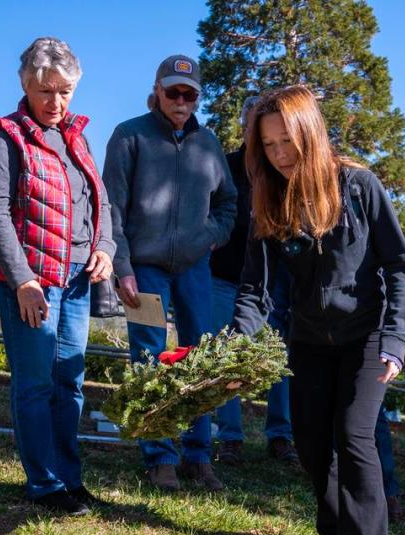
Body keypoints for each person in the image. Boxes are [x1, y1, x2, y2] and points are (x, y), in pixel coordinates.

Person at [233, 85, 405, 535]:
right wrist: (233, 346)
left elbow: (400, 267)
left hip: (368, 336)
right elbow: (255, 290)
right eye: (268, 146)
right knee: (313, 442)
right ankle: (334, 531)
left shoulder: (358, 186)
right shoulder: (269, 200)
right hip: (309, 339)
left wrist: (397, 338)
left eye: (287, 141)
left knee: (354, 436)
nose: (280, 154)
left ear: (310, 134)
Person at [0, 37, 115, 515]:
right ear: (25, 85)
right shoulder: (5, 135)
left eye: (65, 92)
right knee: (35, 382)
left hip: (77, 279)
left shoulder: (78, 137)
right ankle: (44, 483)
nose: (56, 103)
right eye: (45, 92)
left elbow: (102, 202)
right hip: (32, 281)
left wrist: (105, 248)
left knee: (70, 382)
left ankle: (69, 478)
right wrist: (22, 281)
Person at [104, 54, 237, 492]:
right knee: (149, 356)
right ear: (157, 90)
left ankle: (199, 456)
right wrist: (122, 267)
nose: (181, 101)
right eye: (173, 92)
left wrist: (210, 236)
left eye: (189, 94)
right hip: (144, 269)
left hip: (195, 268)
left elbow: (228, 204)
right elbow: (112, 211)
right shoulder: (129, 136)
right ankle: (159, 456)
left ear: (198, 97)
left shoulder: (209, 144)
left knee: (202, 357)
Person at [211, 96, 298, 466]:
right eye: (253, 126)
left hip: (272, 283)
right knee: (226, 353)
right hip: (223, 275)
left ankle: (281, 435)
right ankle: (230, 437)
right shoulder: (224, 166)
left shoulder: (282, 170)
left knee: (278, 357)